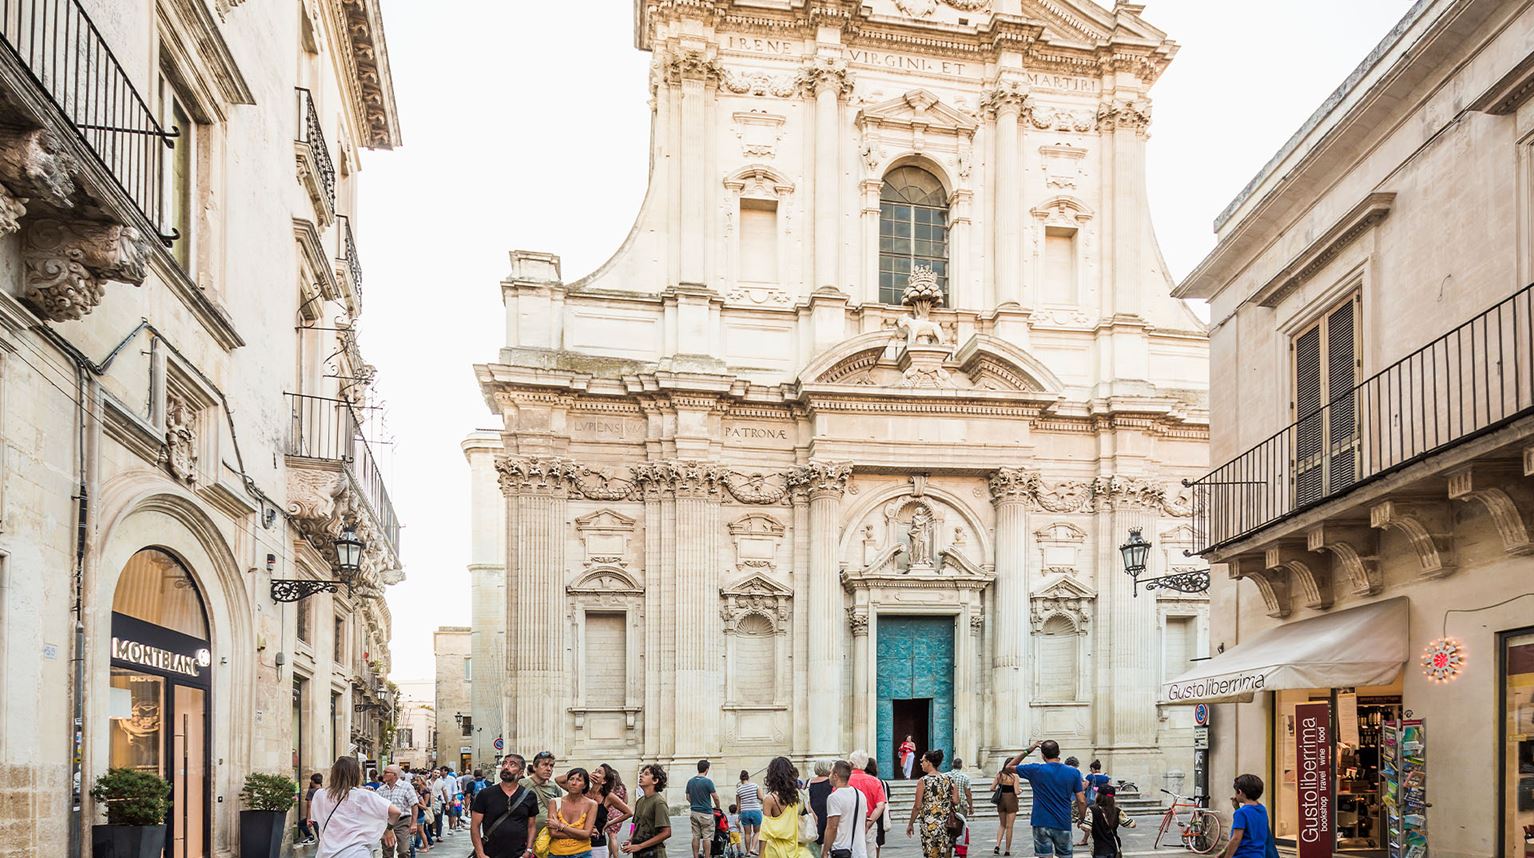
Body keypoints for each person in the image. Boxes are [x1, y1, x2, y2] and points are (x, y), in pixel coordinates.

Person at [309, 756, 403, 858]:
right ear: (357, 774)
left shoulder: (319, 795)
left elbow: (316, 819)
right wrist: (388, 829)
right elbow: (395, 811)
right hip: (356, 852)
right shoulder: (362, 795)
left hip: (327, 852)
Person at [1012, 740, 1086, 858]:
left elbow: (1008, 767)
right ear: (1059, 752)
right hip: (1063, 821)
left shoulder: (1035, 770)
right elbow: (1081, 800)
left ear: (1042, 755)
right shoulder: (1073, 772)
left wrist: (1028, 750)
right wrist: (1082, 817)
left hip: (1040, 821)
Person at [470, 755, 539, 858]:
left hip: (518, 854)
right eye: (504, 763)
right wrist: (480, 853)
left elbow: (531, 826)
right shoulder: (485, 794)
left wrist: (528, 850)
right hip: (489, 854)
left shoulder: (529, 796)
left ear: (520, 772)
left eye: (512, 764)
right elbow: (475, 826)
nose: (506, 767)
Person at [905, 749, 958, 858]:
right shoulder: (949, 779)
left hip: (929, 825)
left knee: (931, 854)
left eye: (922, 761)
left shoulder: (923, 781)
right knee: (945, 853)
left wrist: (910, 824)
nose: (921, 764)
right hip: (946, 824)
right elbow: (956, 801)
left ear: (928, 762)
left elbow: (917, 806)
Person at [758, 756, 810, 858]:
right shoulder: (797, 796)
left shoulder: (770, 799)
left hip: (774, 850)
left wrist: (760, 854)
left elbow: (764, 831)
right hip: (792, 848)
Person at [621, 764, 671, 858]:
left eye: (646, 774)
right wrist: (630, 839)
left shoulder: (658, 802)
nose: (641, 775)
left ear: (655, 780)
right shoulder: (640, 801)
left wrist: (640, 846)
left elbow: (666, 832)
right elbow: (634, 824)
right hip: (639, 853)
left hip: (654, 854)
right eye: (641, 773)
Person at [547, 768, 599, 858]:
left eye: (579, 780)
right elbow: (553, 833)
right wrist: (580, 833)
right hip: (557, 853)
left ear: (585, 785)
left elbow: (586, 834)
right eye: (571, 779)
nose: (574, 783)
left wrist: (560, 826)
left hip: (582, 853)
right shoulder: (554, 802)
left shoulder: (591, 804)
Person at [584, 763, 633, 858]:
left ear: (604, 781)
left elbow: (629, 812)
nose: (595, 773)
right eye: (594, 771)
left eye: (599, 772)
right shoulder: (583, 792)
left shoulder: (608, 796)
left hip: (598, 844)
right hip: (579, 842)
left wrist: (609, 823)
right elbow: (560, 780)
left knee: (613, 836)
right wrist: (586, 775)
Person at [823, 760, 869, 858]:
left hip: (840, 849)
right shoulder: (860, 795)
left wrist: (825, 851)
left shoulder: (834, 797)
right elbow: (864, 823)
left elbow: (832, 827)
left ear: (835, 776)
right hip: (859, 851)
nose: (829, 776)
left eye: (830, 773)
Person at [1219, 775, 1269, 858]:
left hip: (1243, 855)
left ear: (1240, 791)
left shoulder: (1240, 813)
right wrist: (1237, 808)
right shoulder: (1262, 809)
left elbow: (1236, 839)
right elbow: (1249, 822)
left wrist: (1227, 856)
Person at [375, 766, 419, 858]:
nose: (383, 774)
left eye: (386, 772)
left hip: (402, 821)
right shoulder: (380, 790)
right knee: (387, 851)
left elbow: (414, 804)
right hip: (387, 822)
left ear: (394, 775)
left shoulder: (406, 787)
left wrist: (414, 823)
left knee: (403, 851)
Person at [845, 751, 886, 847]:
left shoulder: (845, 780)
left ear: (851, 764)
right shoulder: (875, 781)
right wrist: (868, 824)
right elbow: (880, 806)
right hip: (869, 823)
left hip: (847, 823)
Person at [522, 751, 566, 840]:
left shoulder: (554, 787)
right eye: (544, 765)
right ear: (535, 767)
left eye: (551, 766)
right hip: (528, 837)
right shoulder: (522, 784)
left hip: (548, 837)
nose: (548, 769)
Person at [688, 760, 724, 858]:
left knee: (695, 836)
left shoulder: (690, 781)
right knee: (707, 837)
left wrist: (694, 803)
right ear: (707, 769)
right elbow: (715, 797)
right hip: (706, 813)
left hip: (694, 812)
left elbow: (688, 796)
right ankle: (707, 856)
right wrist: (718, 807)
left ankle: (695, 856)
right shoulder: (708, 782)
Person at [1085, 786, 1134, 858]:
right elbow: (1132, 824)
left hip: (1098, 848)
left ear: (1099, 796)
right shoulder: (1117, 811)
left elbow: (1086, 827)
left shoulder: (1091, 810)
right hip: (1113, 848)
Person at [991, 758, 1020, 855]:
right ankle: (1007, 850)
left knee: (1002, 824)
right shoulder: (1015, 776)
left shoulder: (999, 774)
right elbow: (1016, 791)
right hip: (1011, 800)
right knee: (1009, 826)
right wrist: (1020, 791)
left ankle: (997, 845)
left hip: (1001, 800)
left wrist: (1000, 791)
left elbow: (992, 788)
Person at [598, 765, 631, 850]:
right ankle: (610, 854)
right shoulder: (622, 787)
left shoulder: (610, 789)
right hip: (619, 813)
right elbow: (626, 801)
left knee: (611, 837)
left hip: (610, 812)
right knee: (613, 836)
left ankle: (613, 856)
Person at [862, 760, 889, 858]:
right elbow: (885, 800)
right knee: (875, 848)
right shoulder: (882, 783)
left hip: (867, 816)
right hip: (878, 818)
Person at [806, 760, 834, 857]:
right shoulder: (832, 783)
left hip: (813, 818)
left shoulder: (809, 782)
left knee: (814, 848)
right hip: (828, 816)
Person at [737, 769, 763, 857]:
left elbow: (738, 806)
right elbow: (761, 797)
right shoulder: (755, 786)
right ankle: (753, 848)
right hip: (755, 810)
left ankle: (748, 852)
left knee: (747, 833)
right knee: (757, 831)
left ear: (740, 779)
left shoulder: (739, 789)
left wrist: (738, 816)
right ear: (748, 777)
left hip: (745, 812)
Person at [299, 772, 323, 845]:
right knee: (320, 834)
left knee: (301, 824)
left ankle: (310, 837)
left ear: (313, 781)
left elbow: (309, 805)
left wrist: (309, 818)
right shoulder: (323, 790)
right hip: (321, 816)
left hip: (314, 816)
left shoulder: (311, 791)